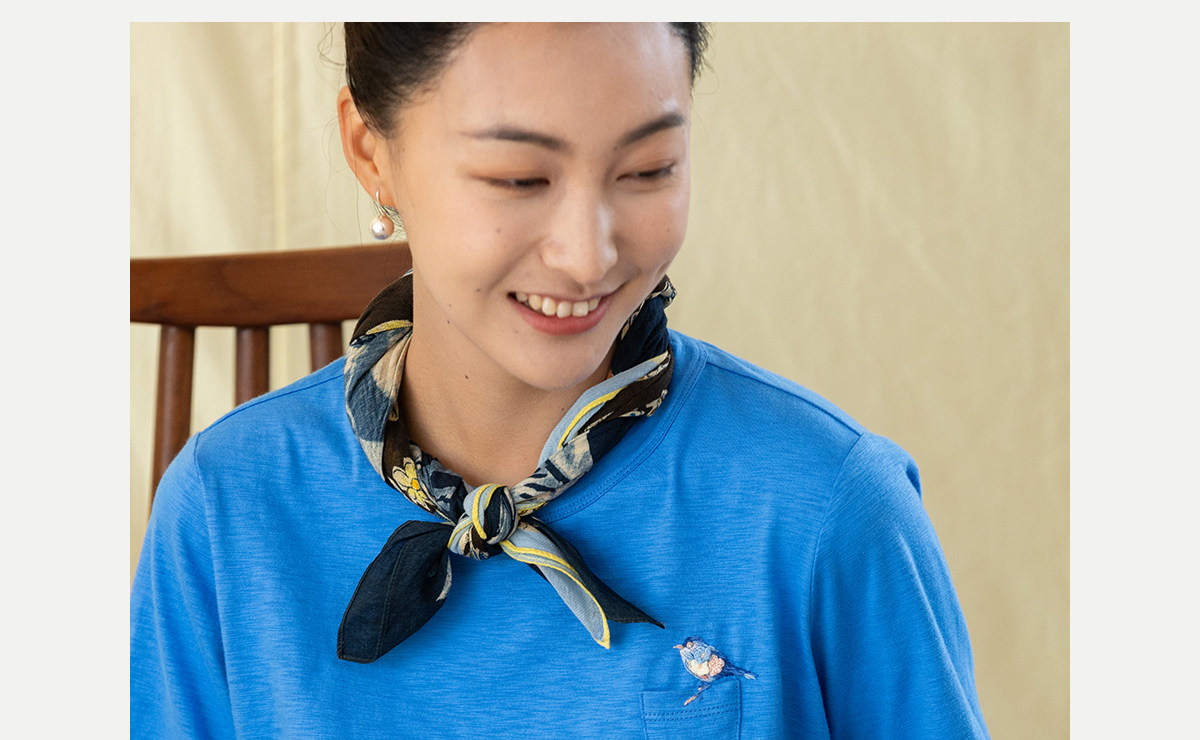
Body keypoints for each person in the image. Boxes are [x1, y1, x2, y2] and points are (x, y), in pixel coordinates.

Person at [130, 23, 990, 738]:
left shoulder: (827, 504)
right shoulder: (223, 507)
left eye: (648, 169)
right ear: (370, 150)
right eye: (519, 178)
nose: (587, 255)